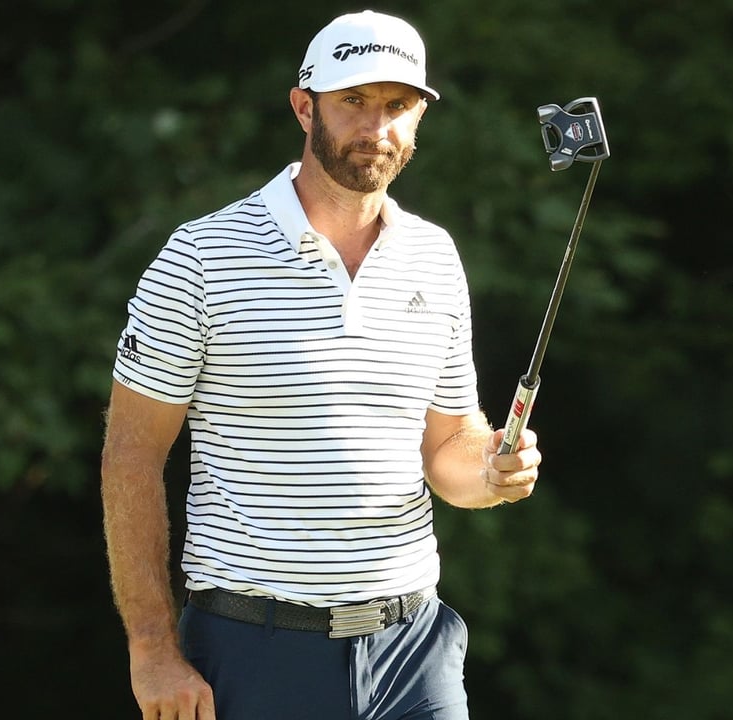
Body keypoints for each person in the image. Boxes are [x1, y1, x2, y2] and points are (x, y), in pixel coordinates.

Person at [100, 10, 541, 720]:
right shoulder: (203, 258)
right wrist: (151, 651)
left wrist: (492, 471)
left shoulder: (434, 255)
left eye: (398, 106)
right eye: (353, 103)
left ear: (420, 116)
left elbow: (449, 447)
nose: (376, 127)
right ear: (305, 107)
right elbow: (130, 454)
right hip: (255, 649)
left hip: (411, 652)